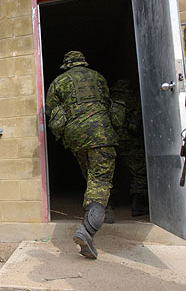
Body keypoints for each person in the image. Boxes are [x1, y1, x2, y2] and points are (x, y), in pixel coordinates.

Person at [45, 51, 118, 259]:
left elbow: (50, 109)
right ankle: (87, 230)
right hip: (101, 134)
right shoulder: (99, 77)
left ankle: (105, 210)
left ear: (67, 65)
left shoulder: (59, 82)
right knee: (101, 179)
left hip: (76, 136)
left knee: (91, 175)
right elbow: (107, 102)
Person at [104, 79, 149, 223]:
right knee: (140, 171)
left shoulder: (108, 100)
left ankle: (110, 202)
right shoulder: (131, 100)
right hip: (127, 141)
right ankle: (138, 204)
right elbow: (134, 125)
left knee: (109, 171)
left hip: (108, 140)